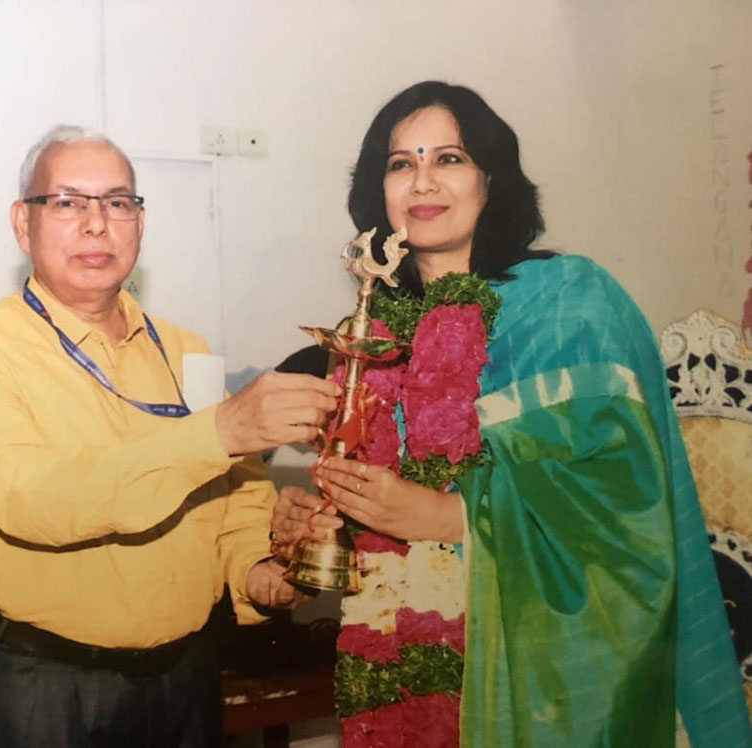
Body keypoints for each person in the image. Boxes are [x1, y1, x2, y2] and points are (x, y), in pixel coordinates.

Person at [271, 81, 752, 746]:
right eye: (402, 163)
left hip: (545, 670)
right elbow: (383, 526)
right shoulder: (372, 335)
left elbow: (621, 505)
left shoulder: (570, 301)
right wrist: (321, 524)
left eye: (450, 158)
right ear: (378, 191)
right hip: (405, 665)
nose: (423, 181)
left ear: (492, 179)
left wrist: (449, 517)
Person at [0, 125, 338, 747]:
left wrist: (266, 571)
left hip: (185, 680)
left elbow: (236, 500)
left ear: (139, 223)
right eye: (67, 202)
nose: (96, 225)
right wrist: (219, 430)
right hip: (40, 686)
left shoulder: (186, 351)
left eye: (117, 203)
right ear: (22, 223)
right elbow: (33, 500)